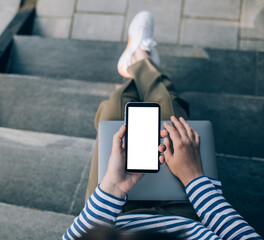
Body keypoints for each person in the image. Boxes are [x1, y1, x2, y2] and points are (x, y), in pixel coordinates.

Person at [62, 11, 262, 240]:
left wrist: (113, 187)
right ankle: (140, 61)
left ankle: (136, 68)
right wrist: (194, 178)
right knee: (170, 105)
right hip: (188, 214)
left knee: (114, 108)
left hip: (117, 212)